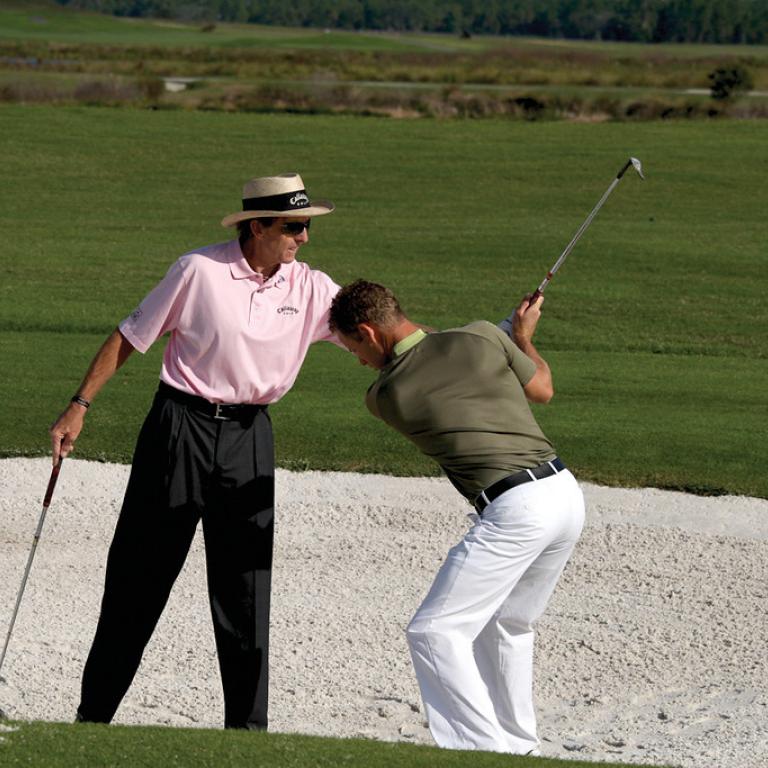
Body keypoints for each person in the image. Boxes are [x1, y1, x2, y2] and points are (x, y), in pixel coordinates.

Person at [49, 172, 341, 730]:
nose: (304, 238)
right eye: (294, 226)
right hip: (178, 429)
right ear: (258, 226)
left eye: (306, 226)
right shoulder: (198, 271)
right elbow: (130, 335)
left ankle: (246, 733)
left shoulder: (310, 286)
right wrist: (78, 406)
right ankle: (92, 719)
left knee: (246, 588)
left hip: (250, 436)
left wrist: (468, 344)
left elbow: (376, 326)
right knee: (139, 575)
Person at [328, 279, 585, 757]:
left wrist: (505, 334)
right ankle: (518, 748)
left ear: (367, 332)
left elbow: (433, 353)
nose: (359, 361)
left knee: (434, 631)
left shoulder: (386, 394)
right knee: (507, 624)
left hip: (516, 511)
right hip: (565, 496)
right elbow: (542, 389)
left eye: (353, 348)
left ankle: (482, 753)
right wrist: (520, 336)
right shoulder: (485, 336)